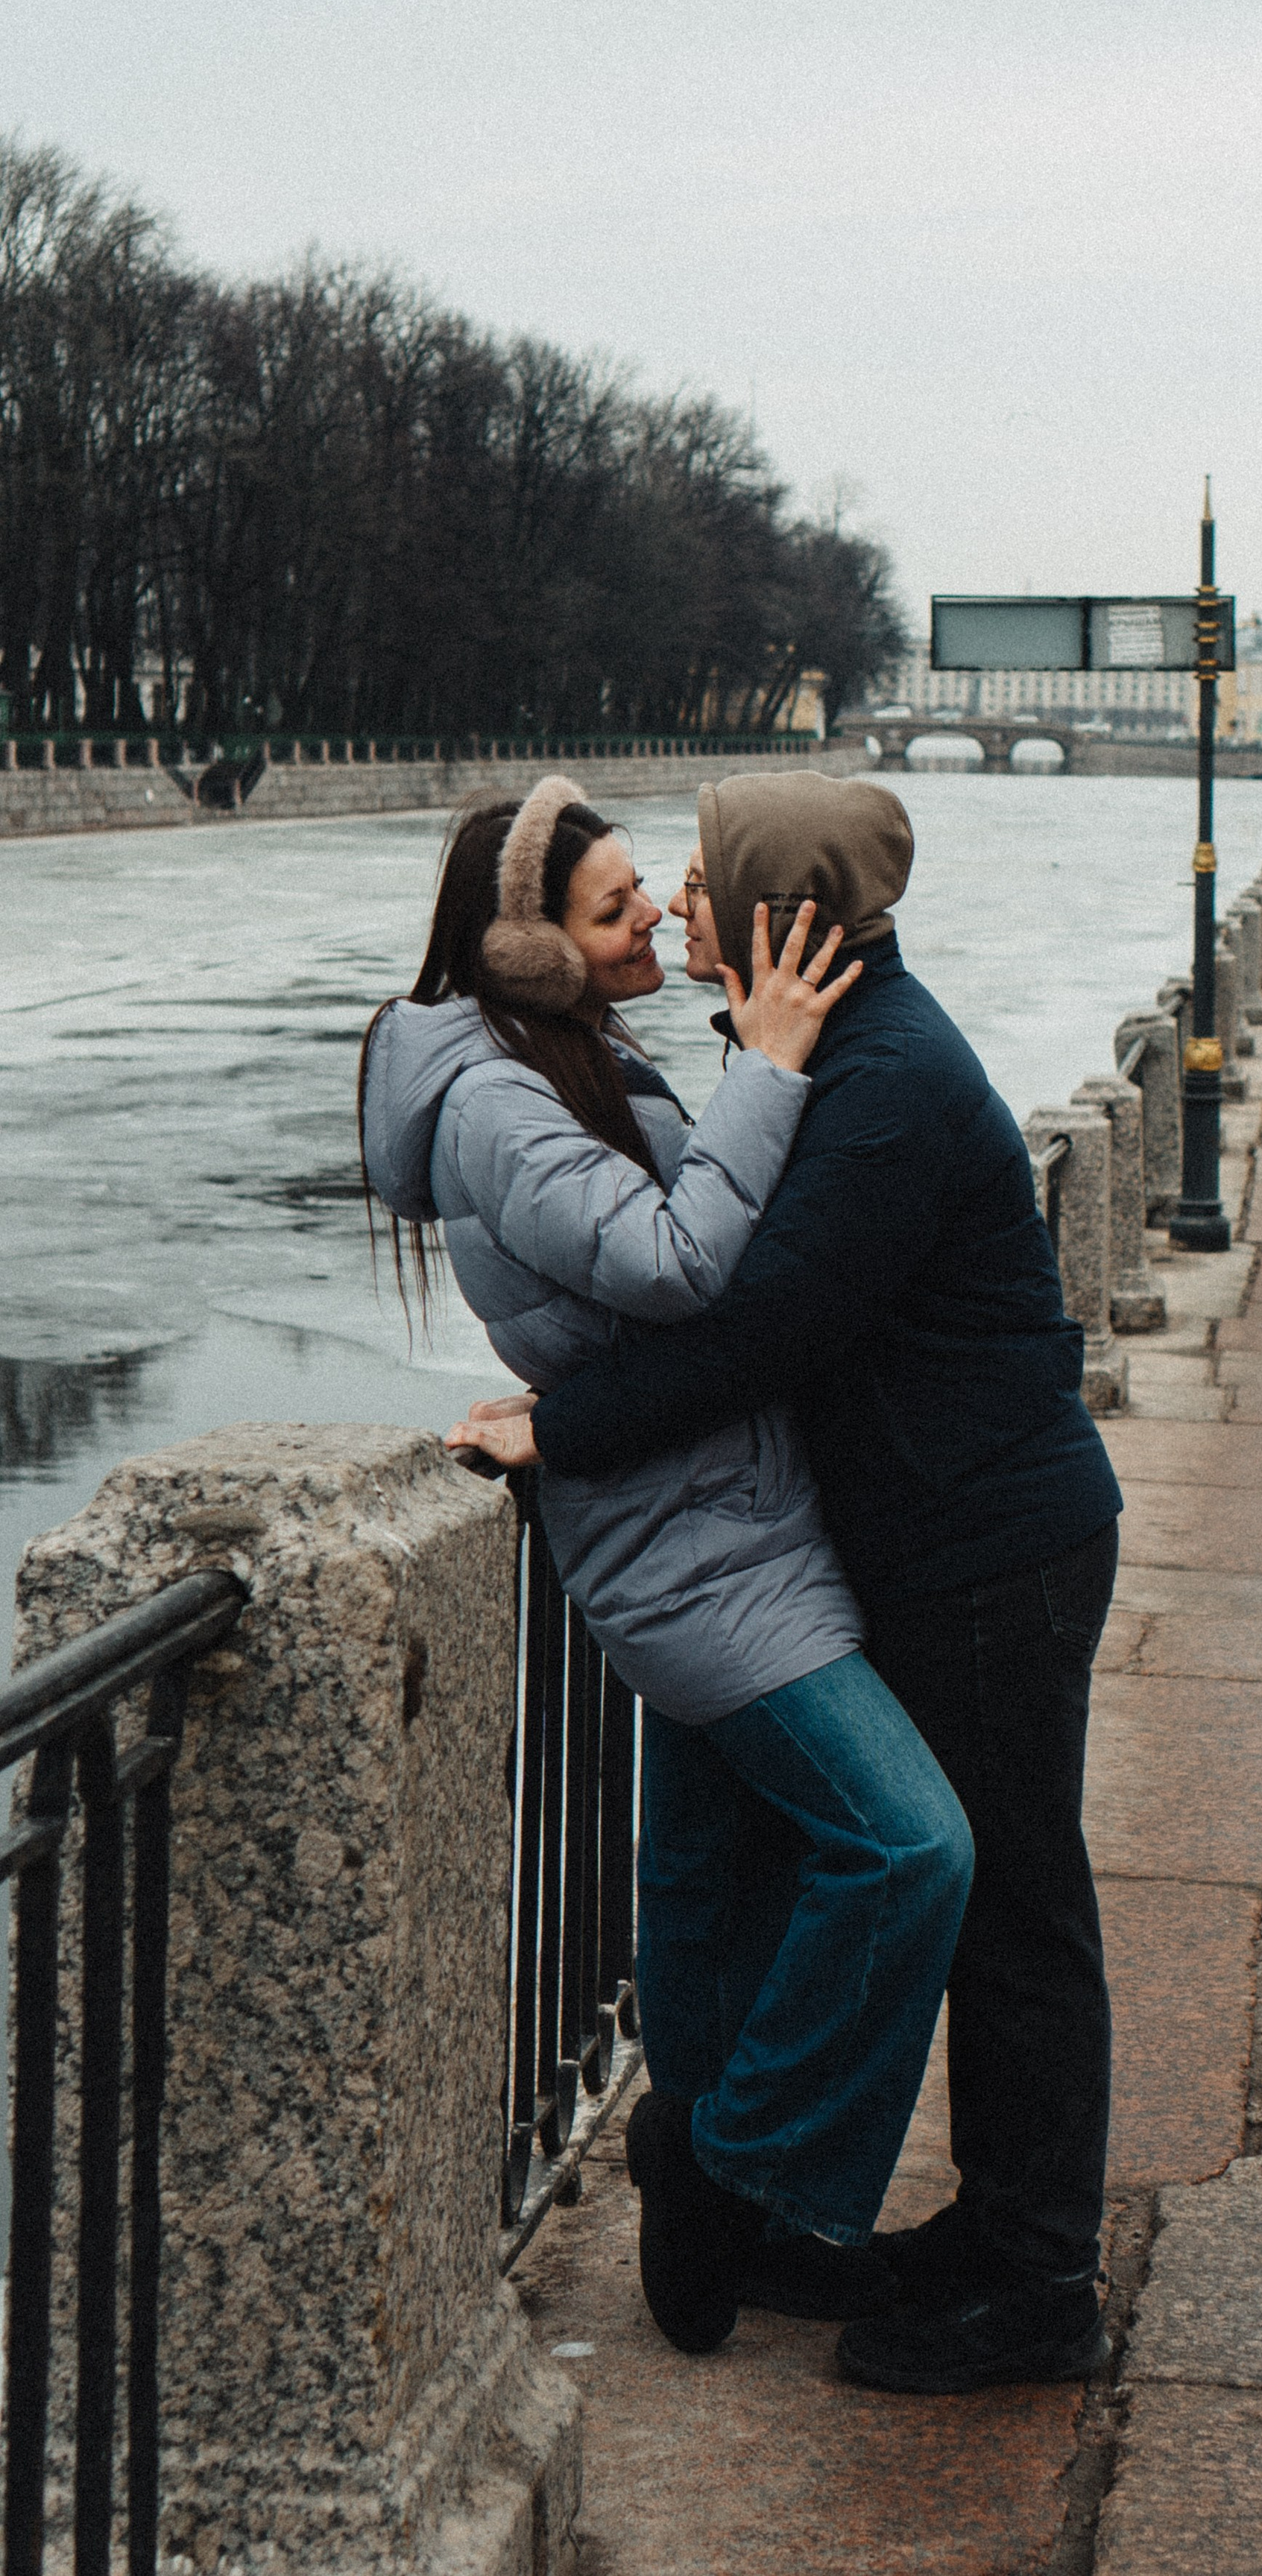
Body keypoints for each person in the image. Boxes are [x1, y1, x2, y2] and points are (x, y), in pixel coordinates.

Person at [451, 770, 1125, 2396]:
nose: (677, 904)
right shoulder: (844, 1047)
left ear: (777, 916)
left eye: (697, 882)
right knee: (943, 1895)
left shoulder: (882, 1081)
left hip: (983, 1542)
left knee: (1010, 1911)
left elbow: (763, 1325)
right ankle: (979, 2230)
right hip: (935, 1532)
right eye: (657, 886)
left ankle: (1027, 2279)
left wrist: (560, 1426)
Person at [358, 779, 973, 2360]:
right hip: (681, 1542)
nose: (650, 922)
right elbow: (673, 1261)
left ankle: (734, 2240)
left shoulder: (577, 1054)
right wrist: (768, 1065)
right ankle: (726, 2165)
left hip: (726, 1510)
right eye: (614, 907)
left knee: (707, 1887)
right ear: (529, 948)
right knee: (910, 1852)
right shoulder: (496, 1096)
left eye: (650, 892)